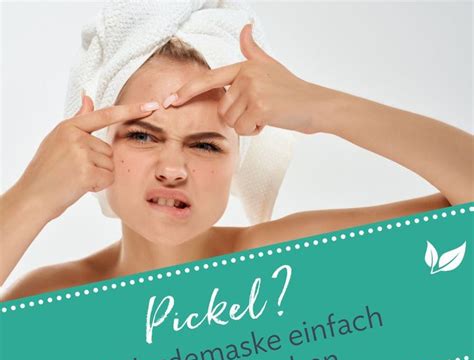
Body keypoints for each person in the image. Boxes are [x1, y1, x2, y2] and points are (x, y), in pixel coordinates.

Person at [1, 23, 473, 300]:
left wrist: (323, 108)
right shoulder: (54, 296)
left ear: (237, 164)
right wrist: (30, 199)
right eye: (143, 135)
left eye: (205, 145)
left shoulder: (286, 265)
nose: (173, 169)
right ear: (101, 148)